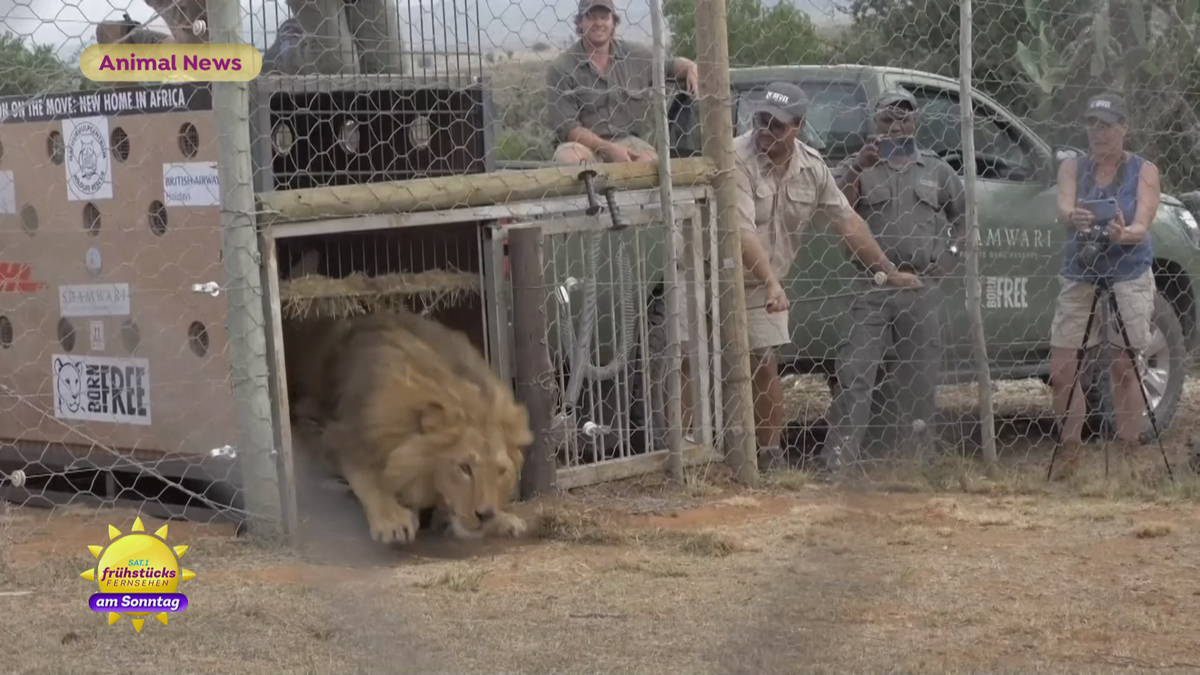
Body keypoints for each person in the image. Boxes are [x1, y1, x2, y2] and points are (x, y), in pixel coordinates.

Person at [679, 82, 922, 471]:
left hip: (760, 284)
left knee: (763, 362)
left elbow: (847, 221)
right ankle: (684, 451)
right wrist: (775, 283)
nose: (764, 130)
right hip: (706, 271)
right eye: (760, 119)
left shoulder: (812, 167)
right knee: (690, 357)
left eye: (776, 125)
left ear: (798, 127)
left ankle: (769, 454)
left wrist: (887, 270)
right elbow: (740, 232)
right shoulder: (734, 159)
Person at [821, 89, 966, 475]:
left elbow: (965, 221)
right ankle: (838, 463)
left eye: (904, 117)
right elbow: (838, 212)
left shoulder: (937, 170)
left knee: (920, 378)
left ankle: (919, 462)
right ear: (875, 122)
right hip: (872, 285)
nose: (896, 124)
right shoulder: (857, 165)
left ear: (917, 122)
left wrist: (947, 263)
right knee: (855, 374)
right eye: (888, 118)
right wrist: (858, 169)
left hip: (920, 287)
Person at [1049, 93, 1160, 479]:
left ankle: (1129, 454)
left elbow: (1143, 224)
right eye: (1092, 124)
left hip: (1128, 270)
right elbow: (1063, 208)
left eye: (1107, 125)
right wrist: (1073, 216)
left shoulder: (1144, 171)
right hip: (1081, 271)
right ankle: (1070, 451)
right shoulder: (1071, 168)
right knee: (1062, 369)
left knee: (1125, 367)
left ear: (1125, 128)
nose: (1098, 132)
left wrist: (1124, 233)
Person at [545, 0, 698, 165]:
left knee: (651, 163)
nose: (598, 23)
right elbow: (568, 128)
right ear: (580, 22)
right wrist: (608, 149)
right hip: (584, 146)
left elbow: (669, 66)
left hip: (629, 143)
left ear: (614, 22)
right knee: (570, 159)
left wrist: (690, 66)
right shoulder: (561, 68)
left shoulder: (635, 55)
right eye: (591, 16)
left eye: (604, 17)